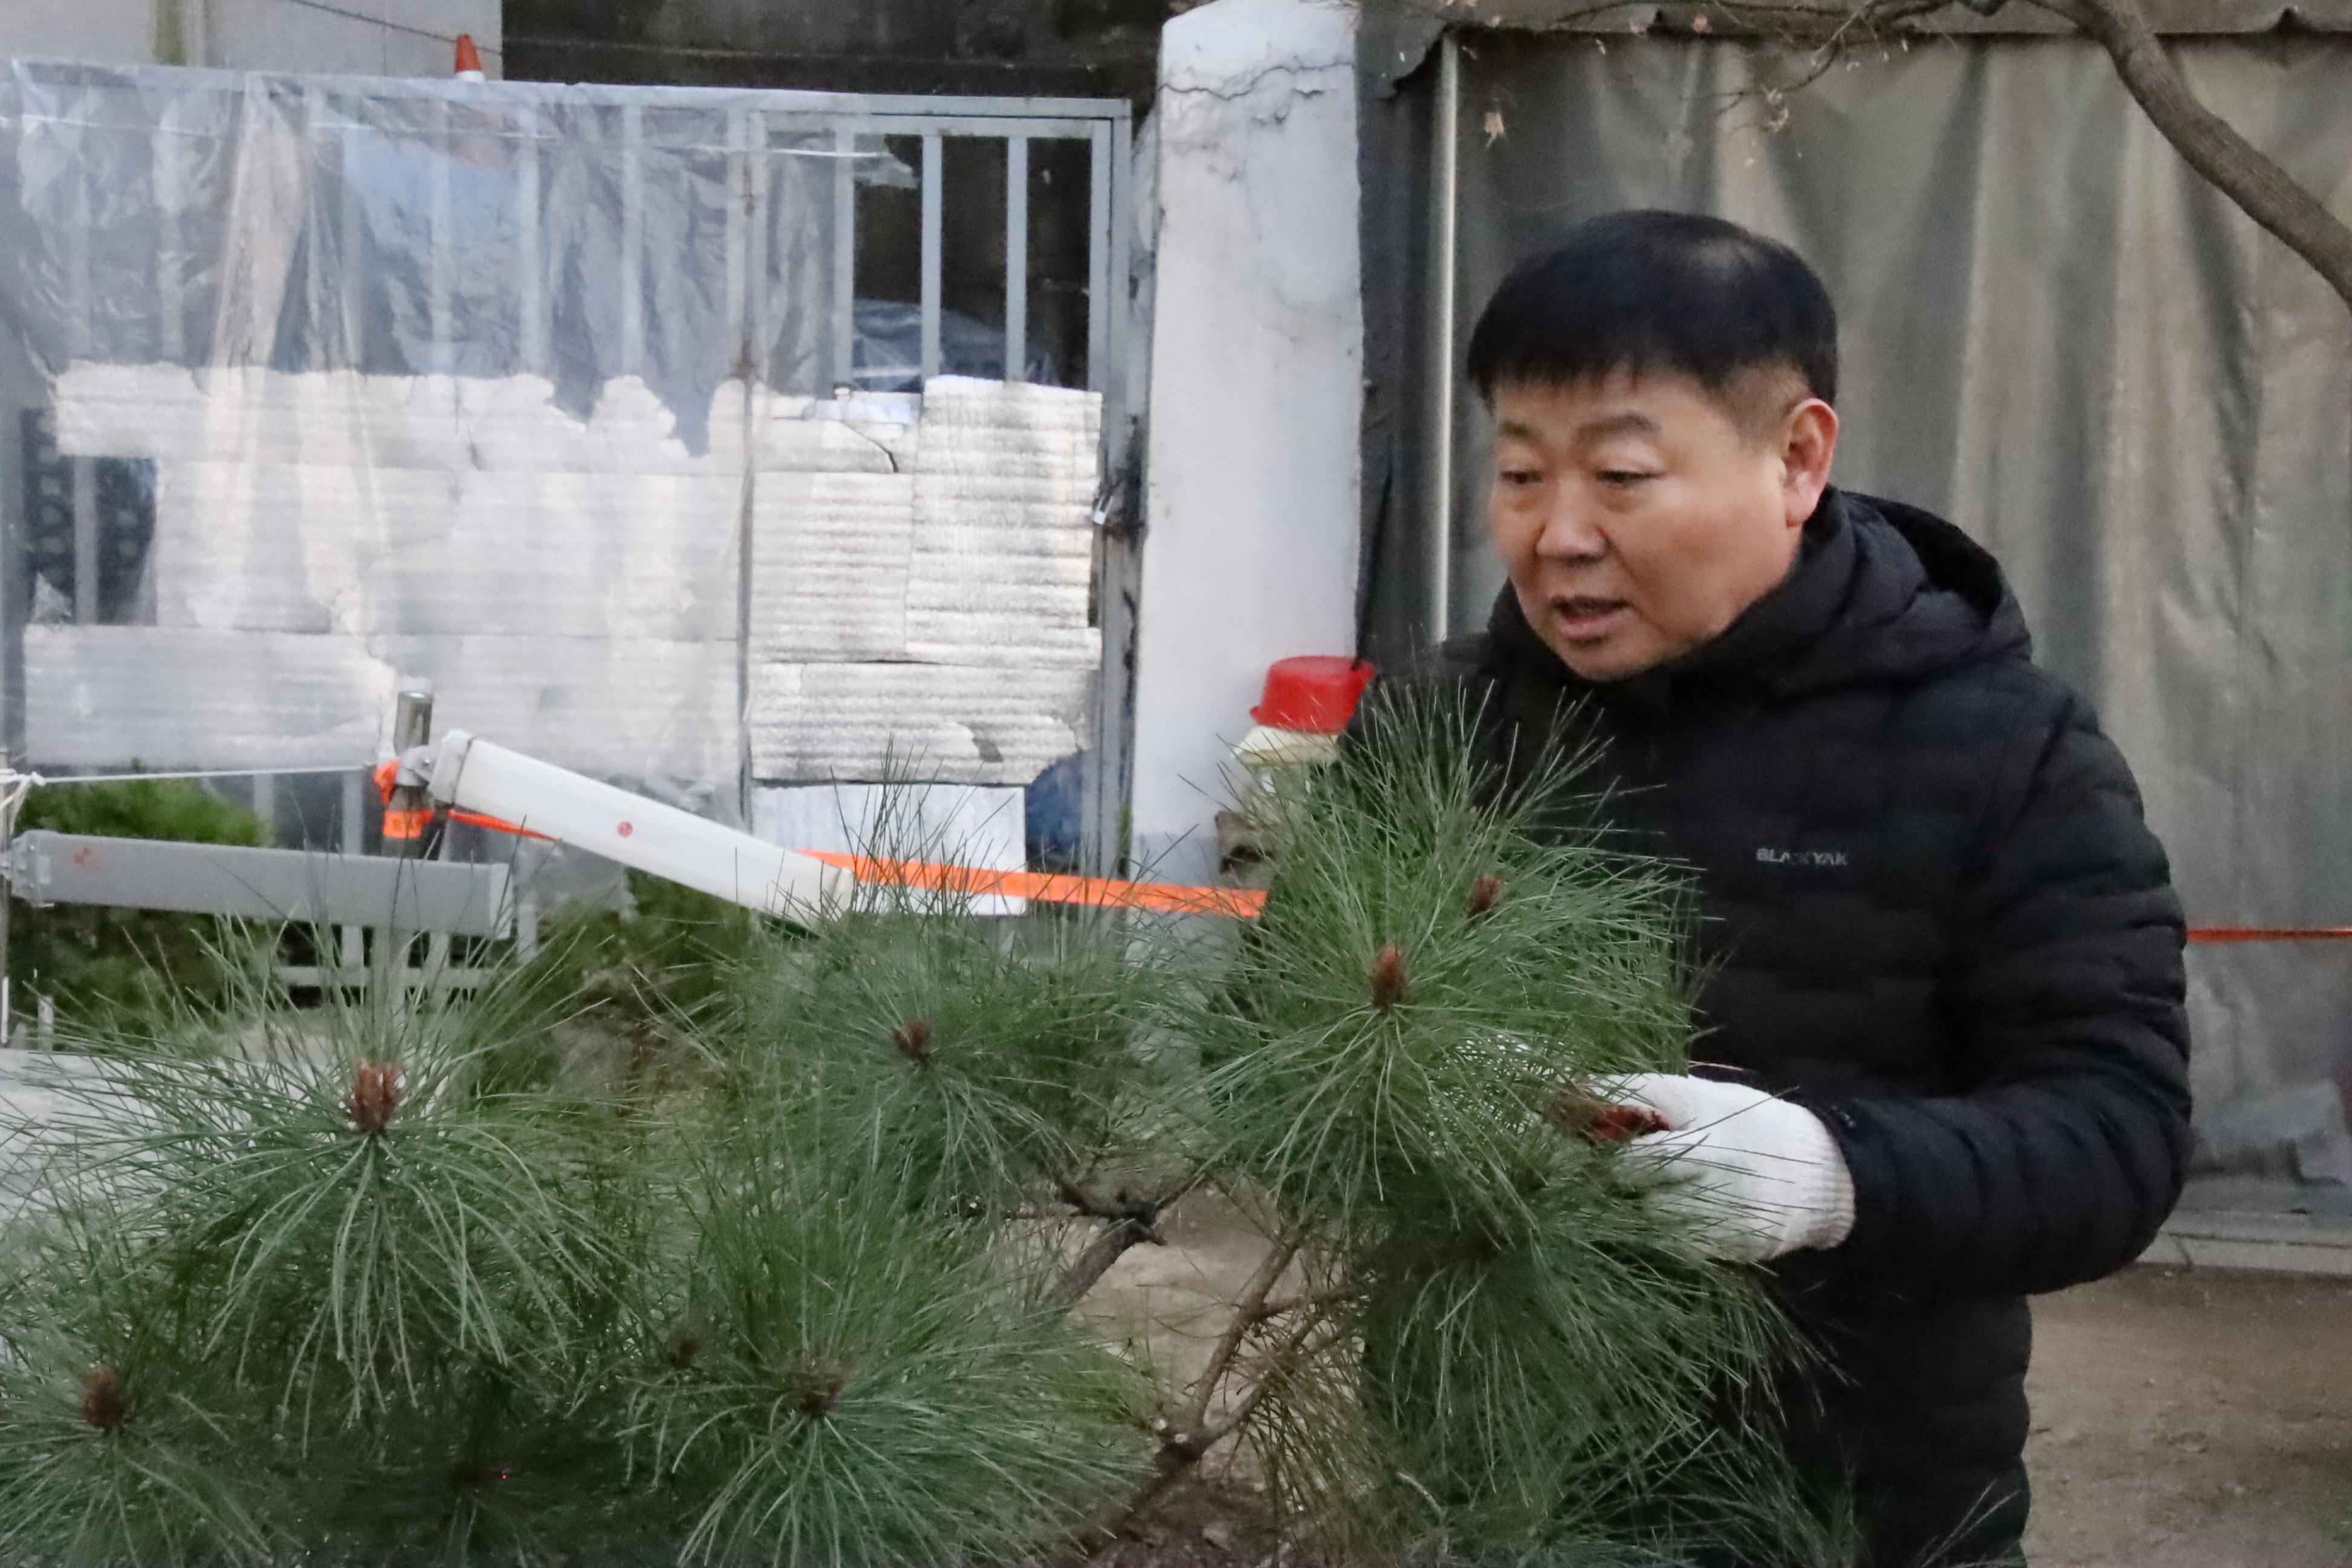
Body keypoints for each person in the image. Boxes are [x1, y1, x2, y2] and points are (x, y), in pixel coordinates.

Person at [1434, 209, 2191, 1567]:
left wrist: (1833, 1178)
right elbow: (1270, 1032)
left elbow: (2116, 1136)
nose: (1557, 536)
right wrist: (1419, 1081)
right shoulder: (1442, 726)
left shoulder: (2003, 747)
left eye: (1620, 475)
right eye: (1519, 474)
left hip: (1865, 1511)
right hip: (1486, 1499)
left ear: (1797, 459)